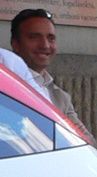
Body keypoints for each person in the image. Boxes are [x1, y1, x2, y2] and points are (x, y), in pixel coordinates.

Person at [8, 8, 88, 138]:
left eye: (51, 38)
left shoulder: (61, 97)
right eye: (34, 37)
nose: (45, 45)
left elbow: (88, 143)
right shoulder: (4, 87)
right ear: (16, 44)